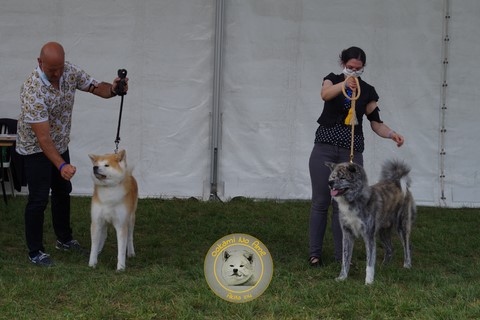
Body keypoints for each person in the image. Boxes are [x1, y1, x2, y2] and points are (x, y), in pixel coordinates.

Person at [16, 41, 129, 267]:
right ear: (40, 63)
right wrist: (61, 166)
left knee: (62, 191)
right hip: (35, 149)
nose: (57, 74)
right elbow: (43, 139)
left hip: (59, 143)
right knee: (38, 199)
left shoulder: (69, 71)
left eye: (60, 68)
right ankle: (35, 251)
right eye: (51, 70)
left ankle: (64, 239)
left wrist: (115, 89)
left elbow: (96, 87)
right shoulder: (31, 89)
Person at [308, 46, 404, 267]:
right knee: (321, 201)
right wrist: (344, 84)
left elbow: (376, 122)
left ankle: (342, 256)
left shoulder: (368, 91)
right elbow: (325, 94)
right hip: (325, 148)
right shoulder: (332, 79)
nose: (354, 71)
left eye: (358, 69)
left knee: (343, 205)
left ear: (363, 68)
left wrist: (392, 134)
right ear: (343, 64)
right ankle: (315, 253)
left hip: (351, 152)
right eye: (350, 67)